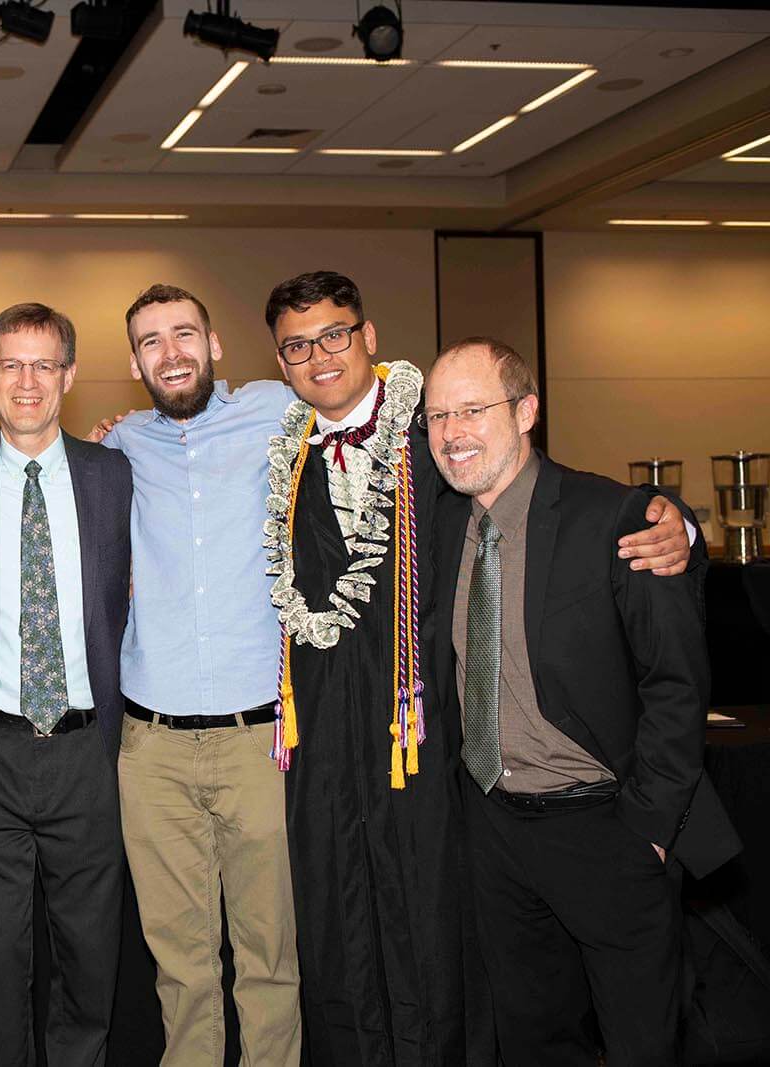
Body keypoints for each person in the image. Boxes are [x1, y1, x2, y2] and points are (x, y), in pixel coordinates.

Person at [260, 270, 693, 1066]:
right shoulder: (279, 455)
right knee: (525, 1016)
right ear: (279, 361)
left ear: (369, 337)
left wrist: (681, 524)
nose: (319, 355)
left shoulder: (435, 455)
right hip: (387, 776)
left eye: (334, 334)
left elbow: (579, 509)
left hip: (451, 774)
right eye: (296, 344)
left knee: (591, 1015)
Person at [422, 337, 740, 1066]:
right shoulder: (443, 525)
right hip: (494, 830)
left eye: (473, 409)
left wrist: (650, 832)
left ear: (527, 410)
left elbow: (677, 683)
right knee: (533, 1040)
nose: (452, 432)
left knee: (642, 1041)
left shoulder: (619, 519)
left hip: (606, 827)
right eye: (438, 416)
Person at [97, 284, 302, 1067]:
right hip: (152, 750)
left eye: (185, 334)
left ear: (216, 345)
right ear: (133, 362)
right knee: (180, 969)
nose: (171, 351)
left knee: (269, 961)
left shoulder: (280, 410)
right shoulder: (117, 449)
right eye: (152, 340)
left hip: (262, 742)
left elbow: (383, 415)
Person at [0, 302, 133, 1067]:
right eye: (9, 364)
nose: (26, 380)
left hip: (90, 751)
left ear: (69, 375)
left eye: (43, 364)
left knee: (88, 955)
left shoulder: (115, 473)